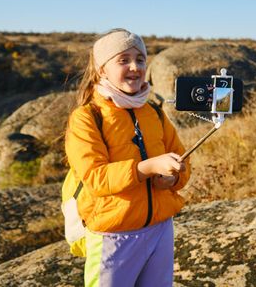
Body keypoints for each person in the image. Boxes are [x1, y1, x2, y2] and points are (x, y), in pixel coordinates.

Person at [65, 28, 190, 287]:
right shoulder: (87, 118)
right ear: (102, 69)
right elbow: (95, 178)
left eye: (140, 59)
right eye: (123, 60)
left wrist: (173, 178)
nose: (135, 67)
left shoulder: (155, 113)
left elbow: (182, 162)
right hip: (113, 235)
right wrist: (148, 167)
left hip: (160, 229)